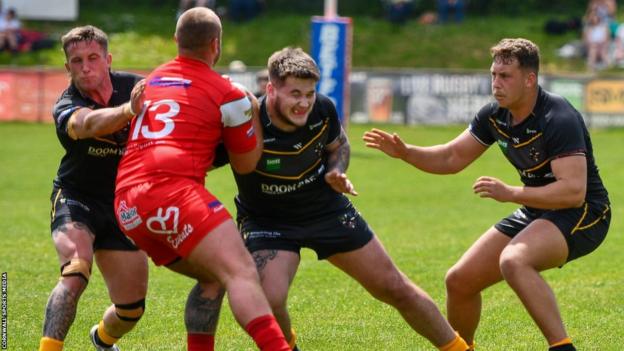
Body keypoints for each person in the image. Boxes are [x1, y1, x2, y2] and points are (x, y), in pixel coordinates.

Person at [364, 38, 611, 351]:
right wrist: (407, 152)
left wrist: (510, 193)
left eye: (505, 76)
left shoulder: (557, 117)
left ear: (530, 79)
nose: (496, 83)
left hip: (585, 213)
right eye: (494, 75)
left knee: (514, 260)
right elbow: (452, 157)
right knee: (459, 281)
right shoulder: (495, 116)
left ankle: (562, 347)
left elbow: (573, 192)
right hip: (538, 208)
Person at [215, 47, 469, 351]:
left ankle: (460, 349)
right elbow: (205, 158)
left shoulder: (322, 109)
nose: (304, 103)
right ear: (270, 88)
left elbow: (339, 145)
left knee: (395, 287)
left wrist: (336, 170)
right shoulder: (246, 120)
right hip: (268, 221)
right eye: (295, 93)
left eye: (309, 93)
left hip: (325, 209)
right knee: (268, 299)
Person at [113, 8, 289, 351]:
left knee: (212, 278)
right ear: (216, 45)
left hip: (127, 206)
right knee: (241, 271)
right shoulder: (229, 94)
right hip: (172, 194)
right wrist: (253, 111)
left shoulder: (152, 79)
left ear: (176, 41)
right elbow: (246, 164)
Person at [39, 25, 148, 351]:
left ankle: (101, 339)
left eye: (92, 58)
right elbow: (86, 125)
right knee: (75, 271)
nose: (85, 67)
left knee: (131, 310)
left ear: (107, 59)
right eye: (76, 61)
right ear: (67, 67)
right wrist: (129, 111)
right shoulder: (67, 103)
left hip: (122, 204)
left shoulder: (135, 86)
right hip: (76, 198)